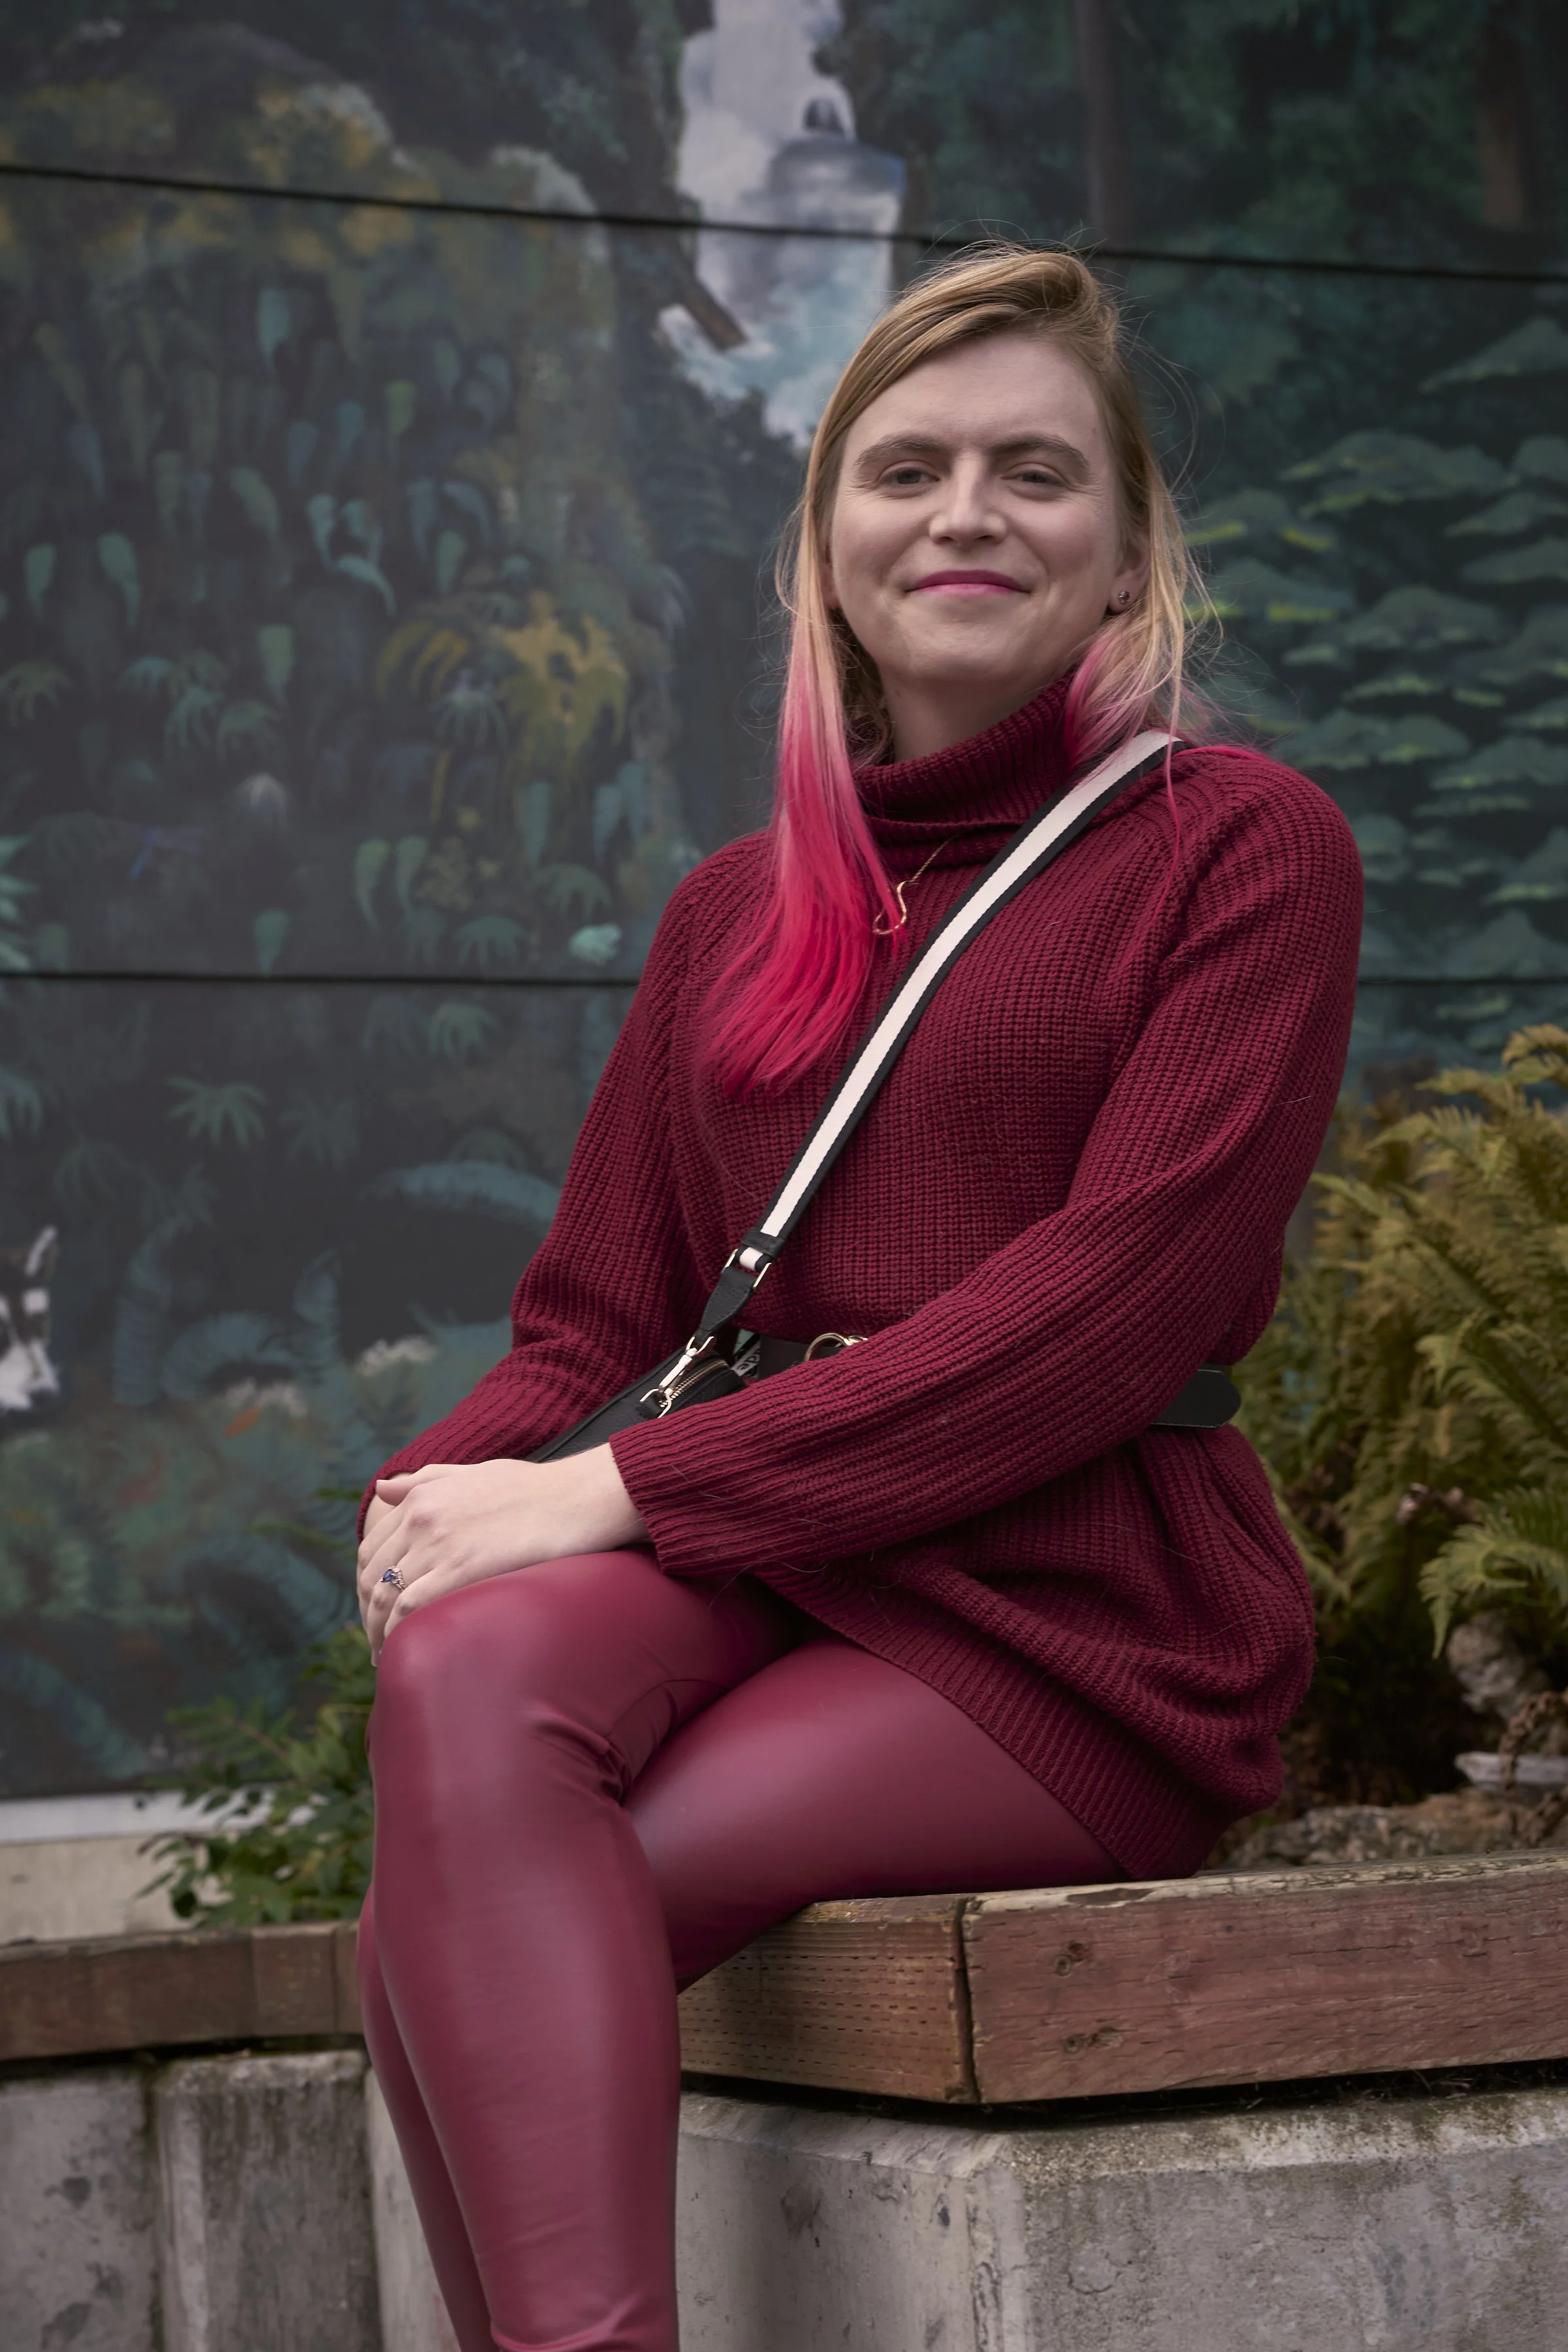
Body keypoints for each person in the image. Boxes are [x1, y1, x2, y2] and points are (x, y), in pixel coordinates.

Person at [354, 242, 1362, 2352]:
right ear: (827, 551)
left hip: (1074, 1620)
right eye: (904, 469)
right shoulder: (738, 908)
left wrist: (605, 1501)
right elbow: (590, 1318)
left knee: (474, 1941)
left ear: (1127, 553)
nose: (967, 512)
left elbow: (1111, 1311)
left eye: (1034, 471)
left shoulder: (1236, 849)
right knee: (470, 1689)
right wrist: (436, 1494)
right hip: (791, 1561)